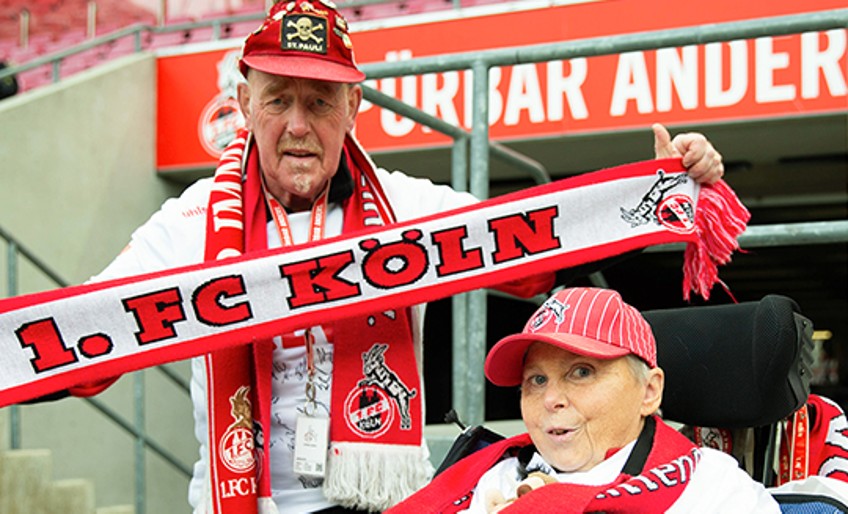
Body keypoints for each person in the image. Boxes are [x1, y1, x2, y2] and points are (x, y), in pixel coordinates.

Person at [78, 1, 727, 513]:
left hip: (384, 504)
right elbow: (80, 345)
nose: (299, 125)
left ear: (354, 108)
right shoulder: (186, 221)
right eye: (278, 99)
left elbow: (540, 251)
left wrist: (667, 183)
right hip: (235, 503)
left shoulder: (410, 205)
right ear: (244, 103)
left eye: (321, 102)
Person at [387, 287, 781, 513]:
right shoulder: (494, 475)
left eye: (581, 372)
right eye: (536, 380)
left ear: (649, 391)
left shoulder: (711, 488)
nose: (551, 399)